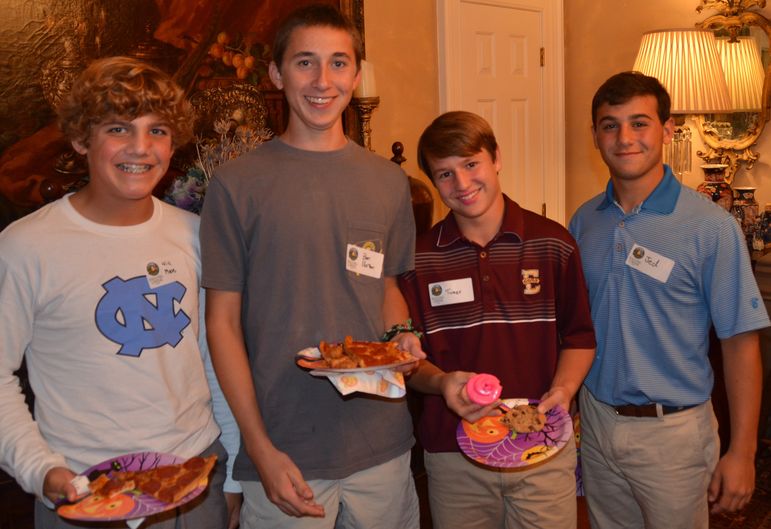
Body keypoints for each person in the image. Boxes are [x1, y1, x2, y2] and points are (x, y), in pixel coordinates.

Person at [199, 4, 424, 529]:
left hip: (382, 444)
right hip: (284, 450)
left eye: (339, 63)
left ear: (357, 74)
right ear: (276, 74)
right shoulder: (237, 184)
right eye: (305, 63)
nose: (323, 81)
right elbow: (222, 325)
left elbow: (385, 283)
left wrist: (403, 332)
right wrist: (257, 448)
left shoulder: (389, 182)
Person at [0, 56, 234, 528]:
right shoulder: (25, 246)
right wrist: (40, 468)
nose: (141, 148)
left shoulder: (196, 235)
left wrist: (231, 478)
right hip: (84, 489)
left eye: (158, 131)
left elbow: (214, 357)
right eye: (119, 129)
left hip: (193, 478)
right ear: (81, 138)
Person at [568, 70, 769, 528]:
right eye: (609, 124)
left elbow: (741, 344)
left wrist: (743, 451)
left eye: (639, 123)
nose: (625, 138)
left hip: (673, 434)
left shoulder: (710, 227)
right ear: (595, 135)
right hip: (598, 424)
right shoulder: (583, 222)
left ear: (668, 128)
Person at [398, 110, 596, 529]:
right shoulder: (418, 260)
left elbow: (578, 337)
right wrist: (441, 382)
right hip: (453, 457)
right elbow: (411, 363)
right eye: (445, 174)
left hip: (540, 450)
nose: (463, 184)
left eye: (471, 164)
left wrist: (563, 389)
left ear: (496, 158)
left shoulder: (553, 244)